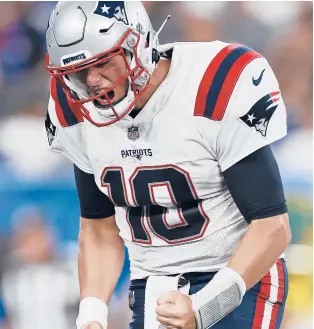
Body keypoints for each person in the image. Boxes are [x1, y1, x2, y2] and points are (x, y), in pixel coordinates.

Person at [44, 2, 291, 329]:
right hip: (152, 284)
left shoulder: (212, 82)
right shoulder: (74, 111)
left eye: (103, 64)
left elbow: (272, 226)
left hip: (238, 276)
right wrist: (91, 316)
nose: (93, 83)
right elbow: (100, 227)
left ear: (139, 43)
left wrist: (205, 306)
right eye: (77, 73)